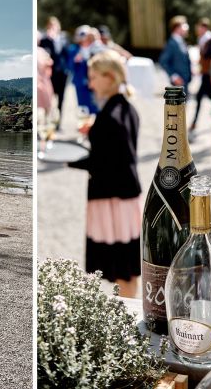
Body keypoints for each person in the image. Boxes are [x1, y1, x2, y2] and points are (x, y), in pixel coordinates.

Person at [68, 50, 141, 298]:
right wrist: (95, 131)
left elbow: (111, 162)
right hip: (125, 199)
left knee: (122, 270)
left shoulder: (112, 116)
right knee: (127, 269)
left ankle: (128, 321)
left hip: (111, 199)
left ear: (109, 77)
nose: (89, 83)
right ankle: (128, 316)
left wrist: (68, 158)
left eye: (93, 77)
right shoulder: (125, 108)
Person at [39, 16, 69, 128]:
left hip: (62, 73)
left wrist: (67, 69)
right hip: (50, 74)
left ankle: (60, 121)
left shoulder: (64, 39)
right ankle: (48, 121)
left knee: (62, 97)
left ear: (58, 27)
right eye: (50, 25)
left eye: (54, 25)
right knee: (49, 96)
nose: (52, 27)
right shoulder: (44, 40)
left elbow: (67, 55)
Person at [67, 25, 98, 115]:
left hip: (93, 81)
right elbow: (69, 67)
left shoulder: (94, 47)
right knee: (83, 107)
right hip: (80, 82)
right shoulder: (74, 49)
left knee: (94, 105)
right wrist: (75, 60)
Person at [159, 15, 192, 96]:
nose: (186, 29)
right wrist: (174, 76)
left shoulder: (181, 41)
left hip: (185, 80)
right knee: (179, 107)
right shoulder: (172, 43)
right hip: (178, 81)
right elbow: (163, 61)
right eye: (184, 26)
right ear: (177, 28)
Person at [192, 17, 211, 134]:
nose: (198, 29)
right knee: (204, 97)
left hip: (209, 74)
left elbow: (208, 57)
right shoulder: (201, 38)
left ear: (204, 28)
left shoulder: (209, 39)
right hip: (205, 73)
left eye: (200, 27)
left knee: (206, 96)